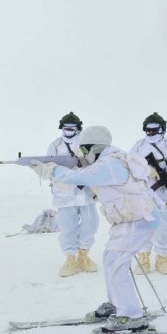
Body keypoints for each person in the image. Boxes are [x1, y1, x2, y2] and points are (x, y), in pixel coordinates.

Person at [29, 125, 159, 331]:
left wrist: (51, 170)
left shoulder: (109, 164)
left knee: (116, 262)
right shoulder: (114, 159)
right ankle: (117, 304)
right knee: (111, 259)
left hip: (138, 220)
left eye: (84, 151)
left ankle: (131, 314)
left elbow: (79, 177)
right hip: (129, 219)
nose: (83, 155)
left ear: (94, 148)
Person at [46, 112, 99, 277]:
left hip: (86, 191)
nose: (68, 131)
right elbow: (49, 168)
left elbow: (94, 163)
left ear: (78, 129)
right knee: (67, 226)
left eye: (72, 128)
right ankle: (70, 258)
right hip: (64, 192)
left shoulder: (85, 143)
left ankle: (84, 255)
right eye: (65, 128)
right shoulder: (55, 145)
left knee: (90, 223)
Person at [130, 112, 167, 274]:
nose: (151, 134)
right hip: (143, 193)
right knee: (142, 227)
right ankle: (144, 258)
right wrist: (147, 170)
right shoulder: (139, 145)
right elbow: (130, 165)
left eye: (154, 130)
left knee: (163, 228)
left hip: (163, 193)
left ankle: (162, 258)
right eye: (148, 130)